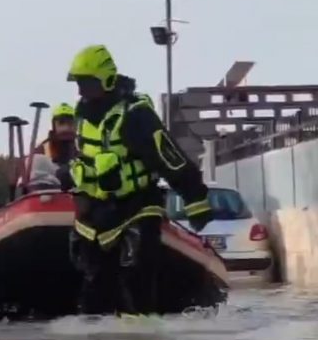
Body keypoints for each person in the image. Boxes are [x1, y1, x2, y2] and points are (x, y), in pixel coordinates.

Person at [63, 44, 213, 316]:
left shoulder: (135, 114)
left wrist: (194, 196)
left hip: (138, 205)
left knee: (137, 281)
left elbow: (169, 156)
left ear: (106, 80)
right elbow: (79, 159)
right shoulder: (82, 117)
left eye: (88, 83)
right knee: (93, 288)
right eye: (80, 84)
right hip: (96, 212)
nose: (82, 90)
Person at [26, 103, 78, 192]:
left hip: (77, 196)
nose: (65, 128)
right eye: (61, 123)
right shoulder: (43, 148)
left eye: (70, 123)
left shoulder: (81, 146)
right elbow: (30, 171)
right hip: (49, 195)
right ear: (54, 125)